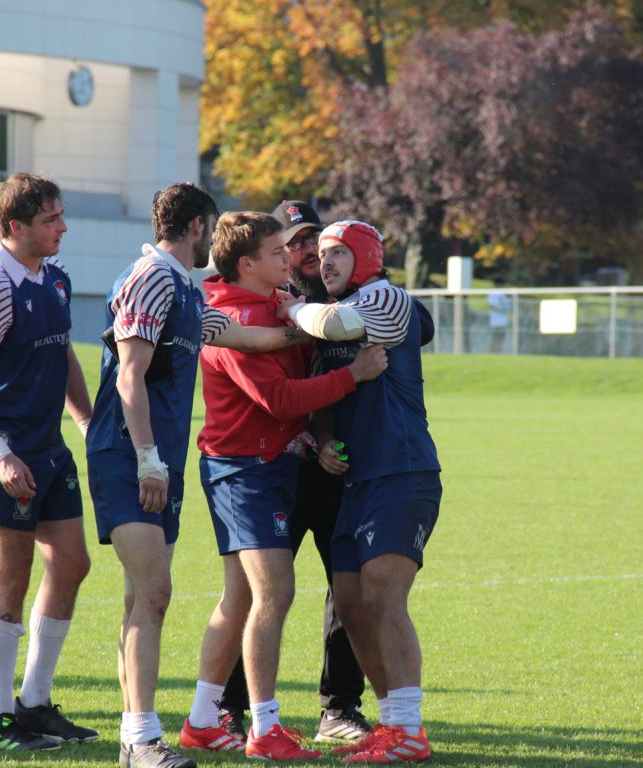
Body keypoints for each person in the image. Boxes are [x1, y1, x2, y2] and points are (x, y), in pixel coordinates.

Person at [86, 183, 308, 768]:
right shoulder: (152, 279)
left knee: (141, 598)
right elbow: (129, 375)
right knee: (154, 593)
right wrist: (147, 458)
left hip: (160, 461)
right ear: (196, 228)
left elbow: (246, 338)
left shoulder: (184, 289)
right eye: (209, 227)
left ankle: (133, 737)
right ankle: (142, 741)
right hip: (130, 457)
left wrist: (304, 321)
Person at [177, 212, 387, 761]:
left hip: (271, 467)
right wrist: (353, 375)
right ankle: (263, 728)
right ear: (248, 263)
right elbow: (279, 400)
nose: (290, 258)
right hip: (244, 471)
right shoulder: (229, 317)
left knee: (241, 598)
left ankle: (202, 720)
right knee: (275, 593)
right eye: (278, 251)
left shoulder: (274, 302)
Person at [285, 220, 441, 763]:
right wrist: (326, 439)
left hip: (401, 472)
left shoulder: (386, 298)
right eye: (322, 254)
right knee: (350, 605)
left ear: (366, 258)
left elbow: (334, 323)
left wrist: (290, 308)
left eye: (337, 253)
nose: (324, 261)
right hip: (356, 482)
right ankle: (390, 722)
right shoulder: (331, 313)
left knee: (381, 598)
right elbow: (324, 399)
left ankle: (409, 730)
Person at [0, 173, 96, 752]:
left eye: (61, 215)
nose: (63, 227)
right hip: (1, 451)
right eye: (50, 219)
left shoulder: (54, 277)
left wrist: (86, 423)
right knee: (10, 578)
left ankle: (34, 702)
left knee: (73, 564)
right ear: (15, 227)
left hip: (48, 446)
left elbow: (64, 356)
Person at [487, 276, 510, 354]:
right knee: (495, 338)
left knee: (501, 338)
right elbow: (492, 305)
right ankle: (492, 352)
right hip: (495, 322)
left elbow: (508, 305)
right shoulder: (492, 294)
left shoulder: (502, 294)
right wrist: (501, 309)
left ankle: (498, 352)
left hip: (503, 321)